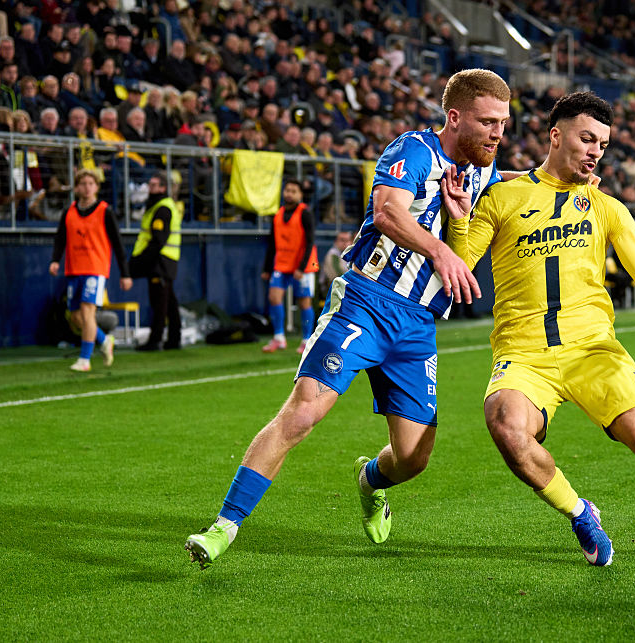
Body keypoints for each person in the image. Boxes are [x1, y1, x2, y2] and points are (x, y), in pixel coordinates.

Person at [184, 69, 513, 569]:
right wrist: (441, 251)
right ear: (454, 117)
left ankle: (369, 481)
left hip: (417, 326)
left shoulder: (481, 170)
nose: (497, 133)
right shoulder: (414, 151)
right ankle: (223, 528)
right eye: (488, 122)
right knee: (302, 412)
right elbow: (388, 213)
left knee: (413, 458)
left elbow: (516, 181)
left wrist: (567, 178)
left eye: (503, 124)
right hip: (365, 302)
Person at [443, 91, 635, 567]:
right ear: (556, 136)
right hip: (524, 353)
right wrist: (459, 221)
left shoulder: (606, 207)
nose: (595, 151)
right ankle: (581, 513)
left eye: (602, 144)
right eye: (586, 139)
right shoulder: (503, 197)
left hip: (593, 350)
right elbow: (460, 263)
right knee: (506, 427)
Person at [48, 169, 132, 371]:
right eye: (83, 184)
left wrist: (125, 274)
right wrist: (55, 260)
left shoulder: (105, 211)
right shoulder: (69, 212)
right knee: (76, 317)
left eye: (91, 184)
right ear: (77, 188)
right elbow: (60, 238)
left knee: (87, 312)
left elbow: (118, 244)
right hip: (73, 269)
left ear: (97, 187)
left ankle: (84, 360)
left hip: (95, 268)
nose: (87, 188)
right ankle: (104, 340)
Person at [260, 178, 320, 355]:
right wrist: (267, 268)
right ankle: (279, 337)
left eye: (294, 191)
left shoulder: (305, 213)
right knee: (274, 297)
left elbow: (310, 242)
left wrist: (301, 267)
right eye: (287, 190)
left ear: (300, 195)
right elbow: (272, 243)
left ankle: (307, 340)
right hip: (282, 263)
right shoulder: (277, 215)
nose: (289, 194)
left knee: (304, 302)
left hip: (303, 265)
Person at [129, 172, 182, 351]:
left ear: (163, 188)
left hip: (161, 261)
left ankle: (156, 339)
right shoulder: (159, 206)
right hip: (166, 259)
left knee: (159, 302)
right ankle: (174, 338)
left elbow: (158, 239)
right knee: (169, 301)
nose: (149, 188)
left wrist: (141, 260)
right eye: (149, 184)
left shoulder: (162, 208)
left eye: (153, 185)